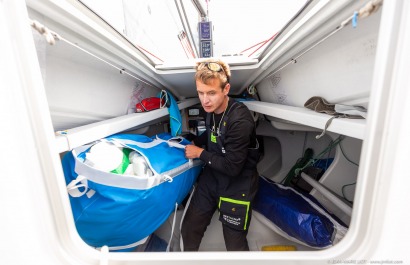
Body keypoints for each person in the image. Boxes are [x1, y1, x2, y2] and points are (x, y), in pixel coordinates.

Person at [181, 58, 259, 251]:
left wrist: (199, 153)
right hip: (212, 178)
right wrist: (196, 141)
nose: (205, 100)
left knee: (235, 245)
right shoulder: (211, 109)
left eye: (211, 93)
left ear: (226, 89)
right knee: (189, 229)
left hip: (237, 184)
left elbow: (232, 167)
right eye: (200, 93)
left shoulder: (240, 119)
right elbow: (212, 133)